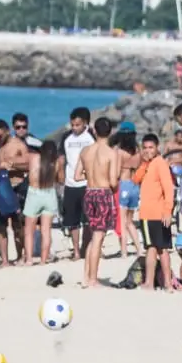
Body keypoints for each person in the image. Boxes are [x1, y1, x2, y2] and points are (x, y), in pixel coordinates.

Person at [75, 116, 120, 288]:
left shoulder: (85, 151)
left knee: (93, 235)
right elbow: (113, 181)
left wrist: (91, 176)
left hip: (89, 192)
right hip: (102, 193)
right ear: (110, 132)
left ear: (94, 131)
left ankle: (86, 276)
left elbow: (77, 176)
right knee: (98, 237)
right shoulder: (111, 153)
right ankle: (93, 279)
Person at [134, 133, 175, 291]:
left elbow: (168, 188)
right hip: (146, 213)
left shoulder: (160, 163)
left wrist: (168, 210)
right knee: (151, 247)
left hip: (158, 213)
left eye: (151, 147)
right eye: (145, 148)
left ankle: (166, 283)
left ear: (157, 148)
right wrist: (144, 163)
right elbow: (135, 179)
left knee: (161, 249)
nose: (148, 151)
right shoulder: (146, 165)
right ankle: (151, 283)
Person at [0, 118, 30, 266]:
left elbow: (29, 164)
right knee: (0, 226)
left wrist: (12, 164)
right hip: (1, 188)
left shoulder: (18, 144)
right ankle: (5, 260)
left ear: (7, 131)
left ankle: (20, 256)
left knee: (18, 226)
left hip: (16, 186)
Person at [59, 107, 94, 261]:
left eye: (78, 125)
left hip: (87, 183)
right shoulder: (66, 137)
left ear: (85, 123)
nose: (74, 128)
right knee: (72, 221)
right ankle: (76, 251)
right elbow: (61, 158)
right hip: (70, 183)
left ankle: (86, 247)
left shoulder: (91, 136)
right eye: (72, 125)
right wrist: (60, 174)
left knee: (88, 219)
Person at [22, 138, 60, 265]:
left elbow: (21, 163)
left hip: (34, 194)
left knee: (29, 231)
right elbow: (60, 179)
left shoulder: (34, 158)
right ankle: (43, 260)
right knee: (46, 231)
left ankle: (29, 260)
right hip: (49, 194)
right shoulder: (56, 163)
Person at [114, 123, 143, 257]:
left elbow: (116, 172)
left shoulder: (119, 152)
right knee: (130, 222)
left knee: (122, 221)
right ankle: (139, 249)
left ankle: (124, 251)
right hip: (135, 185)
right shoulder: (138, 151)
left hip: (124, 185)